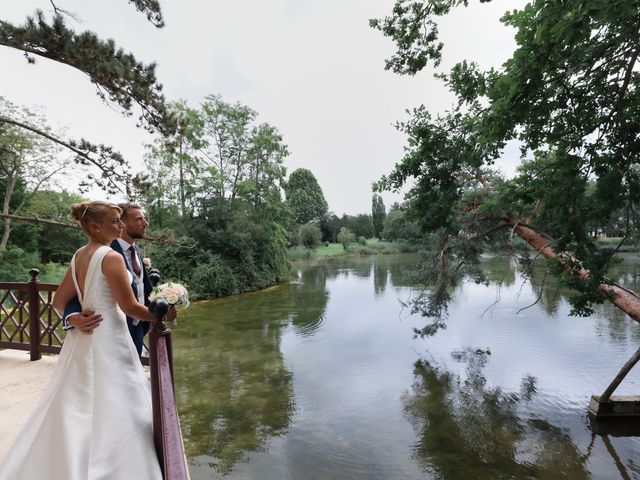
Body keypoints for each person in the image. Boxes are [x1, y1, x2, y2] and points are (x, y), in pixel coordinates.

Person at [0, 200, 163, 480]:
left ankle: (72, 458)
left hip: (84, 338)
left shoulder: (78, 255)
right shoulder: (111, 257)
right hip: (110, 334)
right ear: (95, 226)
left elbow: (60, 301)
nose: (121, 225)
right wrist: (163, 313)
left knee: (79, 399)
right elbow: (130, 307)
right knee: (118, 395)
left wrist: (72, 319)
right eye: (115, 221)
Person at [63, 203, 175, 355]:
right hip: (112, 330)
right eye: (138, 219)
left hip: (137, 327)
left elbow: (140, 286)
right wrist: (162, 314)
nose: (145, 223)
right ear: (123, 221)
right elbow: (80, 292)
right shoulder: (109, 253)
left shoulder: (134, 249)